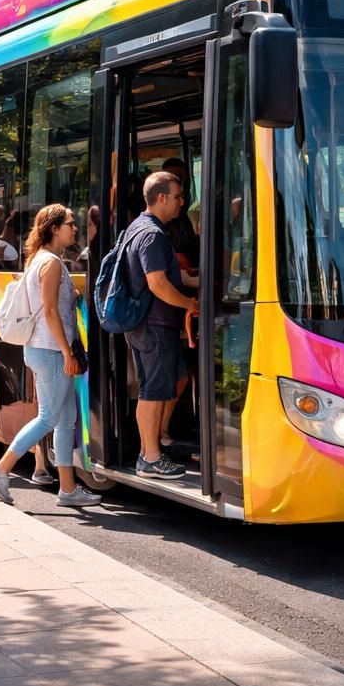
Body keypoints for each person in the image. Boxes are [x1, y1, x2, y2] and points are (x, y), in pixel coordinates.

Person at [0, 205, 101, 508]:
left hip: (45, 349)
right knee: (49, 417)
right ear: (53, 228)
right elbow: (48, 310)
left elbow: (52, 303)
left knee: (66, 420)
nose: (74, 228)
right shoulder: (50, 263)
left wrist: (72, 296)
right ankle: (2, 468)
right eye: (70, 224)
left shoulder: (43, 260)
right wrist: (66, 351)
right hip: (50, 350)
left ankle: (67, 488)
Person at [122, 171, 199, 479]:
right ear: (162, 197)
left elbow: (167, 277)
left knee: (164, 383)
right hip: (155, 324)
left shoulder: (139, 228)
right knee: (152, 391)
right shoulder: (153, 234)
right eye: (179, 196)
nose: (183, 202)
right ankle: (150, 456)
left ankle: (149, 452)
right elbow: (158, 284)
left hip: (148, 324)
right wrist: (189, 303)